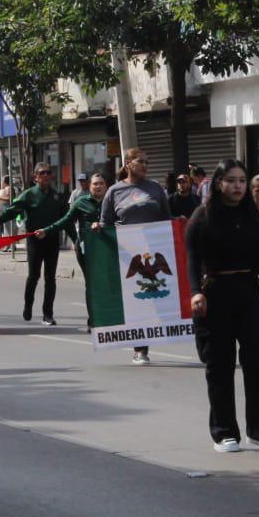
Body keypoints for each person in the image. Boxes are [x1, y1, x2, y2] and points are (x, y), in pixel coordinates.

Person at [186, 159, 259, 454]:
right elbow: (192, 259)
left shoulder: (251, 213)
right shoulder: (202, 217)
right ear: (219, 183)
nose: (238, 186)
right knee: (220, 366)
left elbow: (255, 251)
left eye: (242, 180)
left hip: (250, 293)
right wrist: (195, 292)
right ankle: (224, 432)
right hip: (215, 294)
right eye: (231, 180)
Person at [100, 148, 172, 364]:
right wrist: (99, 228)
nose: (145, 166)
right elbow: (106, 223)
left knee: (152, 298)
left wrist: (182, 223)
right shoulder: (114, 192)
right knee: (136, 301)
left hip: (153, 252)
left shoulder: (155, 189)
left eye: (147, 162)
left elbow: (167, 218)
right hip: (127, 256)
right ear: (128, 163)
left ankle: (146, 342)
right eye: (141, 161)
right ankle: (139, 348)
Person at [0, 162, 68, 325]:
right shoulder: (29, 195)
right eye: (42, 173)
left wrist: (77, 240)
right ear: (35, 177)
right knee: (34, 276)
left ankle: (48, 314)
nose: (46, 176)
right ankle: (28, 305)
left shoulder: (57, 196)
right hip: (34, 241)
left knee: (50, 278)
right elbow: (11, 212)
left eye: (48, 172)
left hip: (52, 241)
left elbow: (66, 219)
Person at [38, 172, 108, 330]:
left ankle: (108, 316)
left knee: (107, 283)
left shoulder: (112, 201)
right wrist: (47, 230)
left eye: (101, 183)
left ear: (106, 186)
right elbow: (65, 220)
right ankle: (93, 320)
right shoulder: (81, 202)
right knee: (92, 284)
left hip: (108, 249)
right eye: (95, 184)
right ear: (89, 187)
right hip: (86, 250)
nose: (98, 186)